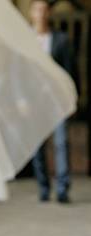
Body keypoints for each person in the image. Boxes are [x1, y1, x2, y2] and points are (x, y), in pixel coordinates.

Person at [29, 0, 76, 203]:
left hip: (57, 100)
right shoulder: (23, 39)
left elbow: (70, 71)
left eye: (44, 9)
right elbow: (18, 72)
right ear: (31, 13)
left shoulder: (61, 39)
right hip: (34, 103)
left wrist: (72, 97)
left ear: (49, 13)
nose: (41, 13)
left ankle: (63, 189)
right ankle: (43, 187)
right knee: (37, 146)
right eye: (37, 9)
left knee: (61, 143)